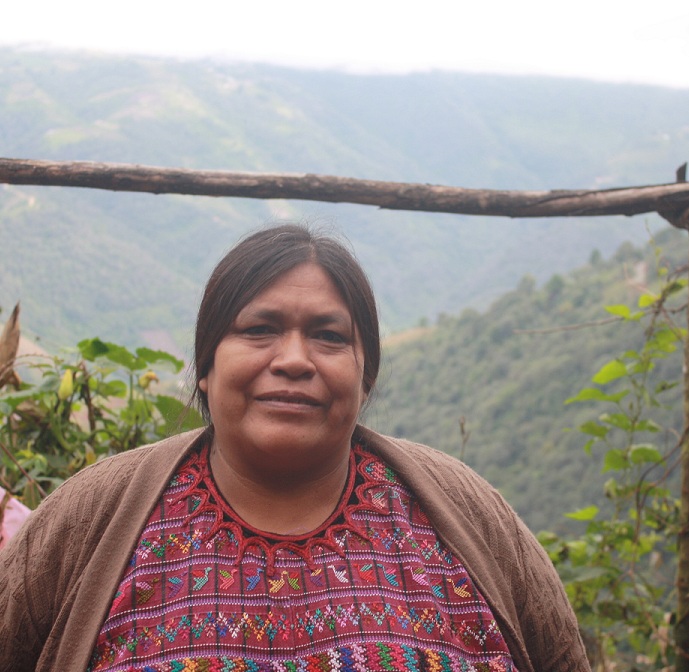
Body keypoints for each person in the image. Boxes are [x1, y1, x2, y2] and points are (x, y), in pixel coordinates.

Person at [0, 224, 590, 671]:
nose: (293, 360)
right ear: (205, 366)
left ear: (366, 374)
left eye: (329, 336)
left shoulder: (467, 516)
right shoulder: (92, 518)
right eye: (258, 329)